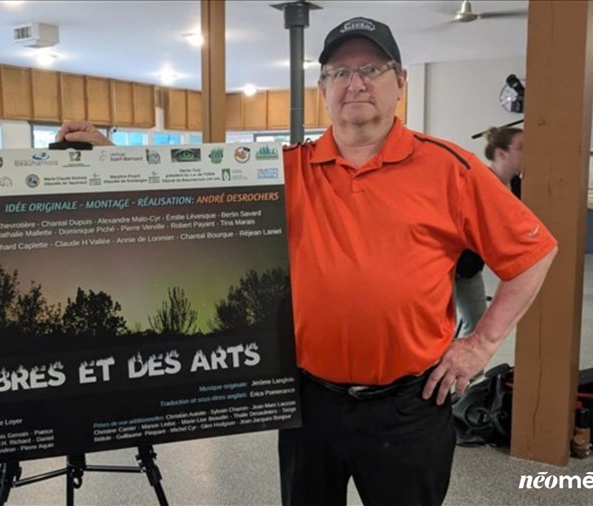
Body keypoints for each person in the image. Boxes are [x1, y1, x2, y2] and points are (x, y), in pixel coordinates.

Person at [56, 16, 557, 506]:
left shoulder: (450, 166)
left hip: (409, 407)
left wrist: (480, 344)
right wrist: (110, 155)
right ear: (323, 88)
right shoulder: (287, 168)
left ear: (400, 82)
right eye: (339, 72)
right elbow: (184, 195)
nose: (355, 82)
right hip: (307, 403)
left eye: (372, 69)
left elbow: (534, 252)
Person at [454, 126, 524, 339]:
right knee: (436, 329)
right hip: (446, 263)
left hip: (470, 268)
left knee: (477, 325)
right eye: (522, 148)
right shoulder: (478, 180)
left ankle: (464, 372)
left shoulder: (517, 185)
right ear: (502, 153)